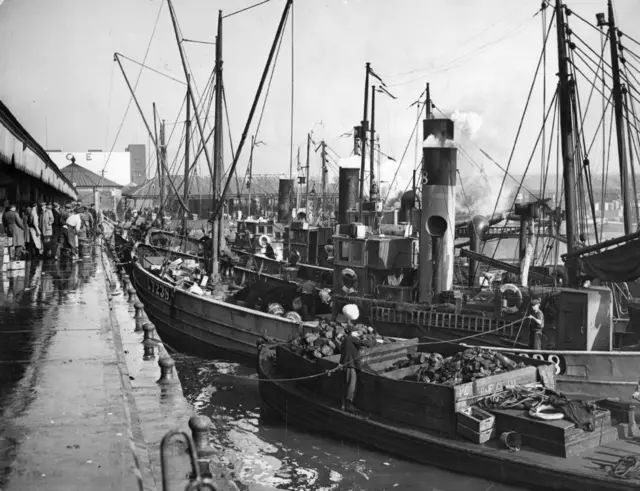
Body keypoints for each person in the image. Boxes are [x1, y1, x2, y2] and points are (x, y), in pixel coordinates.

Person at [340, 332, 362, 412]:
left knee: (345, 384)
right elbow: (363, 342)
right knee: (351, 385)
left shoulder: (345, 339)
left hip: (345, 364)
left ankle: (343, 404)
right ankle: (348, 405)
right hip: (350, 365)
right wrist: (375, 341)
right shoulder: (352, 338)